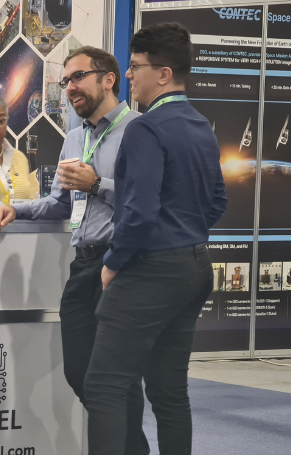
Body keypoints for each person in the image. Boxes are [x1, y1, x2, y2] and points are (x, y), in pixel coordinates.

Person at [0, 46, 149, 454]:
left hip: (123, 265)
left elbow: (149, 201)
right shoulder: (75, 137)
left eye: (78, 77)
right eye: (66, 80)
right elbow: (60, 204)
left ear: (108, 79)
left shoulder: (140, 131)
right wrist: (15, 208)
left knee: (116, 377)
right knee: (80, 373)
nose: (70, 87)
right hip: (83, 265)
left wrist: (97, 184)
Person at [83, 23, 226, 455]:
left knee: (104, 385)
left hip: (150, 270)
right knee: (169, 389)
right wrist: (183, 229)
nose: (128, 75)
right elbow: (217, 201)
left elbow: (139, 211)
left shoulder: (146, 128)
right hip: (194, 266)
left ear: (163, 74)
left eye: (135, 67)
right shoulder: (200, 125)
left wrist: (113, 263)